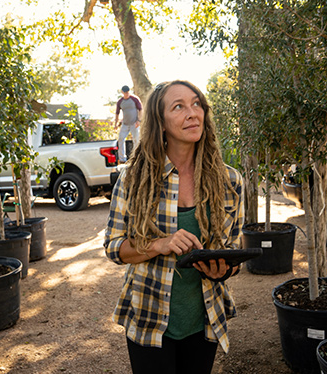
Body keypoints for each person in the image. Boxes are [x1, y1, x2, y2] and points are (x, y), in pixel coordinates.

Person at [104, 80, 245, 374]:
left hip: (204, 319)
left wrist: (225, 269)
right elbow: (114, 248)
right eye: (179, 106)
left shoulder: (229, 181)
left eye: (196, 104)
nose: (192, 113)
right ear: (161, 122)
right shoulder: (134, 179)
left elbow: (232, 249)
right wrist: (159, 244)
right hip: (148, 319)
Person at [114, 85, 143, 163]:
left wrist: (139, 121)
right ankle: (122, 158)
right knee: (121, 139)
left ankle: (136, 157)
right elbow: (117, 113)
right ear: (122, 92)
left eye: (128, 92)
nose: (127, 94)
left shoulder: (134, 99)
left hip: (134, 123)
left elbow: (141, 110)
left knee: (136, 140)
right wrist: (116, 124)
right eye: (125, 93)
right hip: (125, 124)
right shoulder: (120, 102)